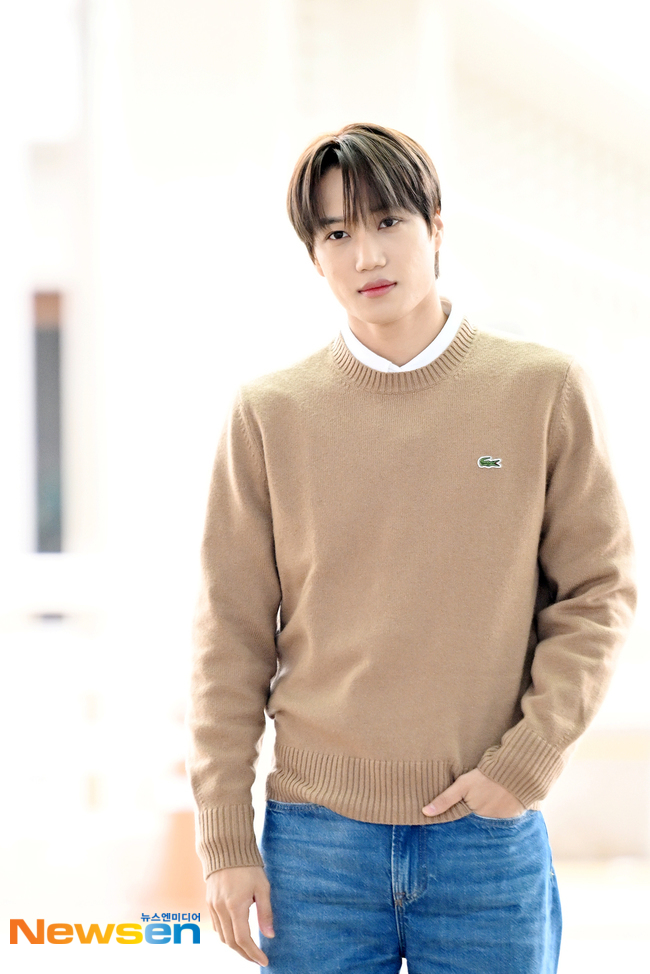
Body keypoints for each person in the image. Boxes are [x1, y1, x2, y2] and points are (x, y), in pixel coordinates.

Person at [185, 122, 637, 973]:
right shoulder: (269, 414)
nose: (367, 255)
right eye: (336, 234)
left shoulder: (542, 390)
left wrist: (525, 763)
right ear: (313, 257)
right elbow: (229, 639)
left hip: (486, 836)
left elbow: (598, 593)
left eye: (387, 221)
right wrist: (225, 839)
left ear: (435, 225)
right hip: (314, 847)